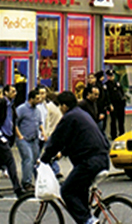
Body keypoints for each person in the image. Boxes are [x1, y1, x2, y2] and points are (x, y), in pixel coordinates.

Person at [39, 91, 111, 224]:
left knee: (67, 191)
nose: (60, 108)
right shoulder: (81, 114)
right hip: (101, 158)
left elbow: (57, 140)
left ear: (64, 106)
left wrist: (44, 159)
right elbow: (76, 138)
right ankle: (87, 219)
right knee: (79, 191)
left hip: (89, 162)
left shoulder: (69, 117)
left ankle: (88, 221)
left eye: (60, 105)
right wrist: (62, 153)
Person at [15, 87, 44, 193]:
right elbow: (15, 123)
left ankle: (39, 181)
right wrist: (19, 136)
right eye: (37, 98)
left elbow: (39, 123)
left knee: (37, 161)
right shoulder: (21, 109)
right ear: (31, 99)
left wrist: (43, 133)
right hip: (24, 138)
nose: (39, 100)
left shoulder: (37, 110)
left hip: (34, 138)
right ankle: (26, 182)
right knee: (28, 159)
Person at [104, 69, 126, 139]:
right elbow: (107, 96)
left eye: (112, 76)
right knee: (113, 120)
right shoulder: (106, 85)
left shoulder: (117, 83)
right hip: (113, 104)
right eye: (110, 76)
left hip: (120, 104)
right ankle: (113, 134)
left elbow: (121, 92)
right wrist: (109, 104)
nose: (111, 77)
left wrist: (123, 99)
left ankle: (122, 133)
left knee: (121, 120)